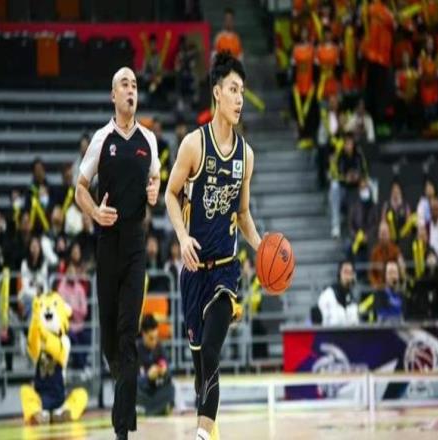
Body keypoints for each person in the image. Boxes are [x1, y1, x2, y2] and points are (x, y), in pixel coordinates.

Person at [165, 52, 261, 440]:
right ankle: (210, 431)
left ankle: (202, 436)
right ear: (217, 93)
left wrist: (261, 246)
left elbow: (243, 213)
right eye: (233, 90)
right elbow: (170, 195)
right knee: (200, 372)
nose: (239, 99)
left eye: (243, 92)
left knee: (211, 351)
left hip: (225, 270)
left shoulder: (245, 156)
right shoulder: (194, 145)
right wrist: (181, 236)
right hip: (193, 273)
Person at [75, 66, 160, 440]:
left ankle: (121, 429)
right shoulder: (102, 138)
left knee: (127, 334)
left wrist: (155, 190)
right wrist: (95, 212)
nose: (131, 90)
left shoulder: (149, 139)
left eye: (135, 85)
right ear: (113, 95)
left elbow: (156, 178)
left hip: (135, 245)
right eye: (125, 84)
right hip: (107, 245)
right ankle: (125, 397)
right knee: (110, 341)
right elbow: (80, 187)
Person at [136, 314, 175, 416]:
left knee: (170, 388)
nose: (154, 342)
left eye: (156, 338)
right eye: (151, 338)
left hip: (156, 390)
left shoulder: (159, 348)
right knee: (132, 390)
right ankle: (158, 409)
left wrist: (164, 372)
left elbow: (169, 375)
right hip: (142, 391)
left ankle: (146, 409)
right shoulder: (136, 350)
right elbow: (131, 379)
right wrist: (148, 377)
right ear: (143, 334)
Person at [317, 260, 358, 325]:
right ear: (339, 273)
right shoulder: (328, 294)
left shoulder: (353, 298)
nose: (348, 275)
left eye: (350, 272)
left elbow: (355, 322)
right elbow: (323, 321)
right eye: (345, 272)